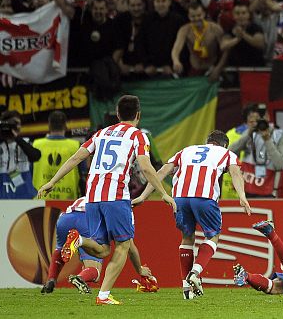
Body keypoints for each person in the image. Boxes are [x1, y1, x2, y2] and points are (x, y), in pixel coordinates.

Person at [36, 95, 176, 305]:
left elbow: (77, 157)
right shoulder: (138, 136)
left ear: (118, 115)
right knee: (123, 245)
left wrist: (52, 182)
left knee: (103, 249)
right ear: (138, 115)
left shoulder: (100, 133)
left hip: (92, 196)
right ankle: (103, 296)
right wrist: (163, 193)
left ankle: (79, 240)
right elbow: (146, 167)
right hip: (116, 195)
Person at [133, 129, 251, 299]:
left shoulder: (186, 150)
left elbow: (161, 172)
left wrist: (143, 196)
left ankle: (186, 290)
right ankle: (195, 273)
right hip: (204, 197)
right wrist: (242, 196)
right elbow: (235, 173)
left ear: (207, 141)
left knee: (187, 238)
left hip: (179, 197)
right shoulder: (226, 153)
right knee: (213, 236)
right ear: (224, 145)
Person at [41, 196, 158, 296]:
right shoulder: (122, 208)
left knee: (60, 249)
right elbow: (129, 247)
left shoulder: (96, 192)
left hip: (65, 219)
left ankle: (51, 280)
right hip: (87, 221)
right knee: (98, 262)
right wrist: (140, 269)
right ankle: (80, 274)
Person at [229, 106, 283, 198]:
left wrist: (267, 140)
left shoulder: (280, 135)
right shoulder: (249, 133)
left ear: (268, 117)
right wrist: (248, 134)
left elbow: (279, 164)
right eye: (253, 120)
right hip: (248, 187)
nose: (258, 122)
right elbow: (230, 152)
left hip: (269, 189)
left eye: (261, 118)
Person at [32, 111, 81, 200]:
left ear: (49, 125)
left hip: (40, 199)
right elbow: (83, 174)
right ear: (66, 125)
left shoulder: (36, 144)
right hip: (68, 200)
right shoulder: (76, 146)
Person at [0, 110, 41, 199]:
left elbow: (36, 156)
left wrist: (16, 137)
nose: (17, 126)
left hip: (22, 194)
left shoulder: (25, 142)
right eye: (14, 123)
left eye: (19, 124)